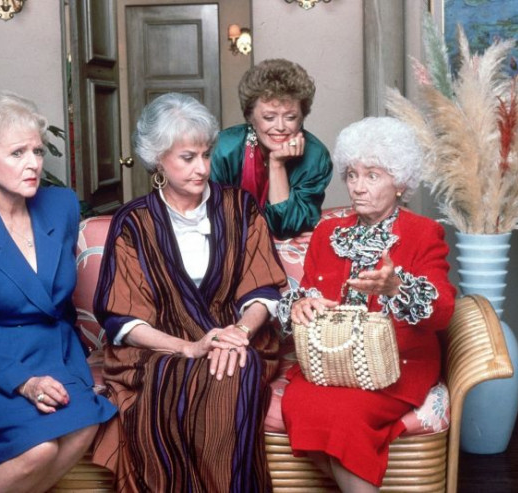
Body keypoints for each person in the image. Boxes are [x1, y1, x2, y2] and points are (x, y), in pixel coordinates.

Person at [92, 92, 288, 492]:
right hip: (162, 347)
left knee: (232, 372)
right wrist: (189, 347)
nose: (202, 168)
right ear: (157, 159)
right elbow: (123, 318)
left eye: (206, 155)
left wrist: (239, 334)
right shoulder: (134, 222)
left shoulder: (240, 207)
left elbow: (263, 288)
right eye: (187, 157)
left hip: (236, 339)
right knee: (172, 380)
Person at [0, 90, 116, 493]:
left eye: (37, 151)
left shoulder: (61, 206)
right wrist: (24, 382)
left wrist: (71, 358)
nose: (33, 163)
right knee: (38, 450)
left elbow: (58, 303)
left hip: (52, 351)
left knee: (85, 425)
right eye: (17, 153)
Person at [279, 117, 456, 492]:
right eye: (352, 175)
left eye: (372, 176)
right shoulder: (328, 231)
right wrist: (302, 304)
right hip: (331, 363)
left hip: (396, 367)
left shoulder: (423, 232)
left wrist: (397, 287)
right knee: (300, 405)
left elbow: (443, 312)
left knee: (345, 415)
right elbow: (307, 290)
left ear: (400, 182)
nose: (358, 187)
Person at [211, 58, 333, 239]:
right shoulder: (223, 150)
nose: (280, 127)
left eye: (290, 117)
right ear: (250, 118)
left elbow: (289, 228)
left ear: (302, 118)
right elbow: (215, 219)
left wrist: (277, 164)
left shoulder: (316, 157)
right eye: (269, 117)